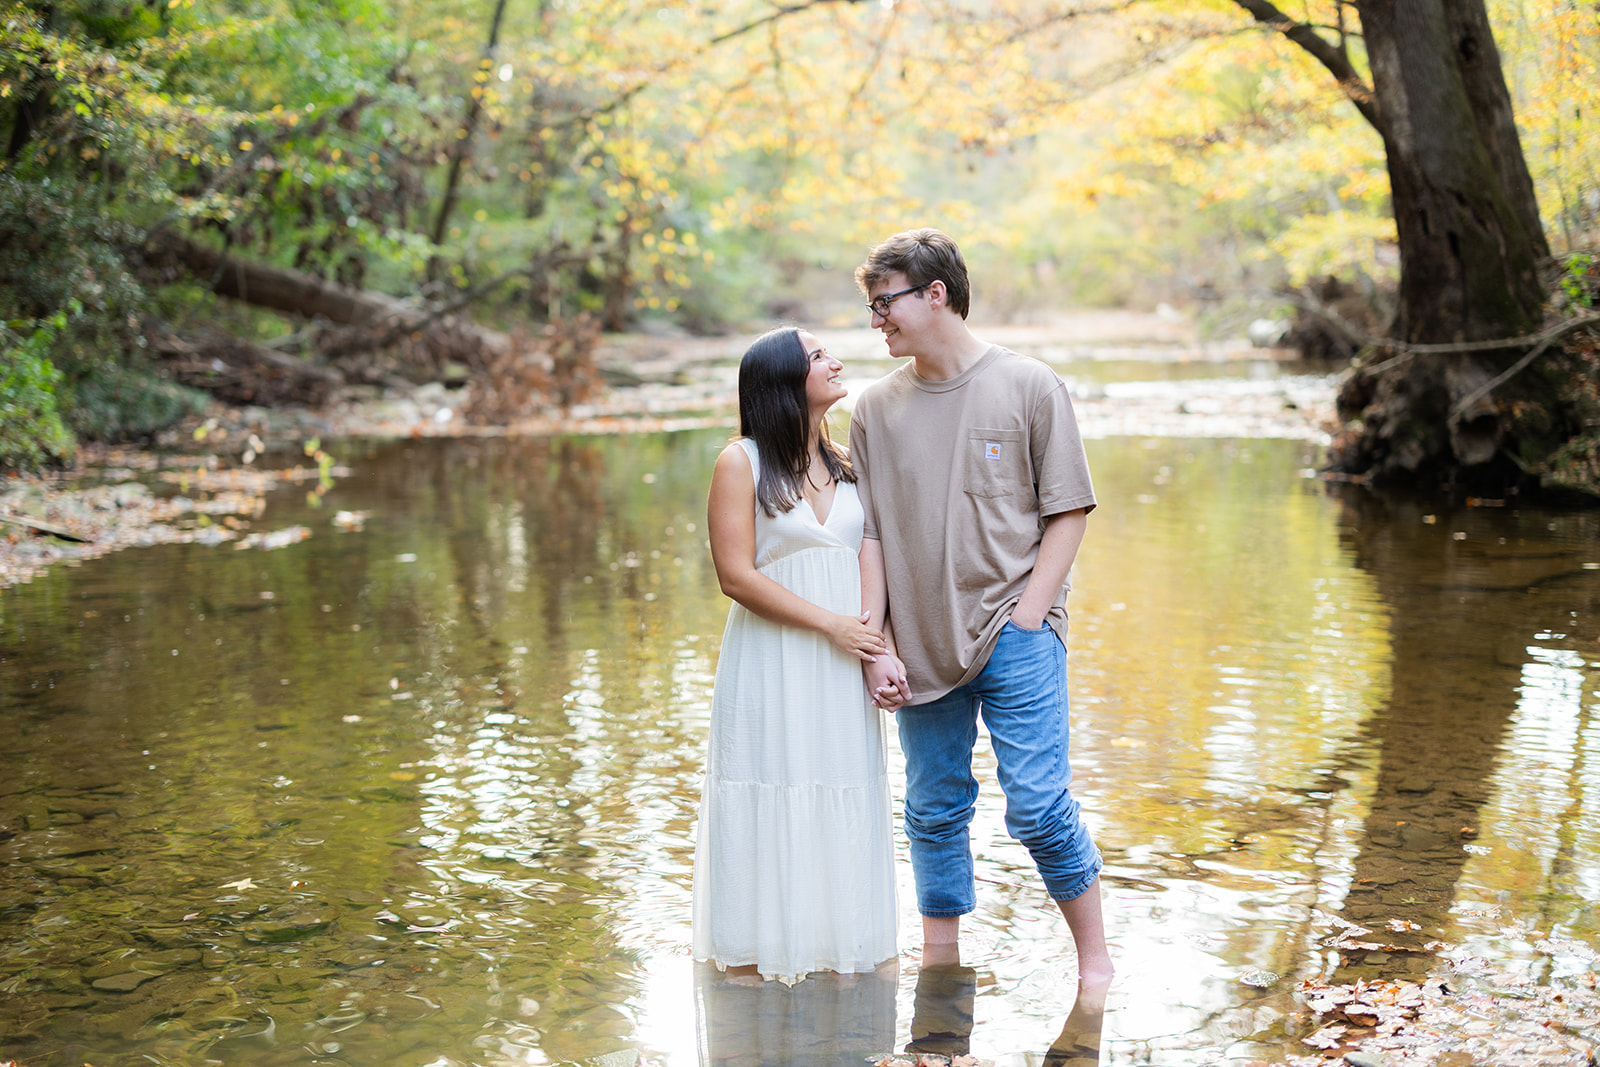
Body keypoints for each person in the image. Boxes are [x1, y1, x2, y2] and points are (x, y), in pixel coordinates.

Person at [848, 228, 1114, 982]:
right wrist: (880, 642)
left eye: (885, 303)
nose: (878, 321)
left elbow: (1068, 509)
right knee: (933, 808)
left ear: (936, 294)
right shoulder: (873, 410)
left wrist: (1031, 614)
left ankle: (1095, 968)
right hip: (919, 641)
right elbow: (868, 532)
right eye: (871, 308)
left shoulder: (1030, 384)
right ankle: (942, 970)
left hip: (1016, 629)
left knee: (1036, 806)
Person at [692, 326, 902, 986]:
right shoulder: (741, 462)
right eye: (818, 356)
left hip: (842, 661)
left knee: (839, 785)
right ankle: (759, 962)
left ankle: (837, 953)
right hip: (772, 659)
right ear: (784, 379)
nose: (836, 361)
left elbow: (873, 555)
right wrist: (830, 625)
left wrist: (874, 646)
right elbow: (736, 576)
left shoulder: (847, 463)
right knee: (771, 786)